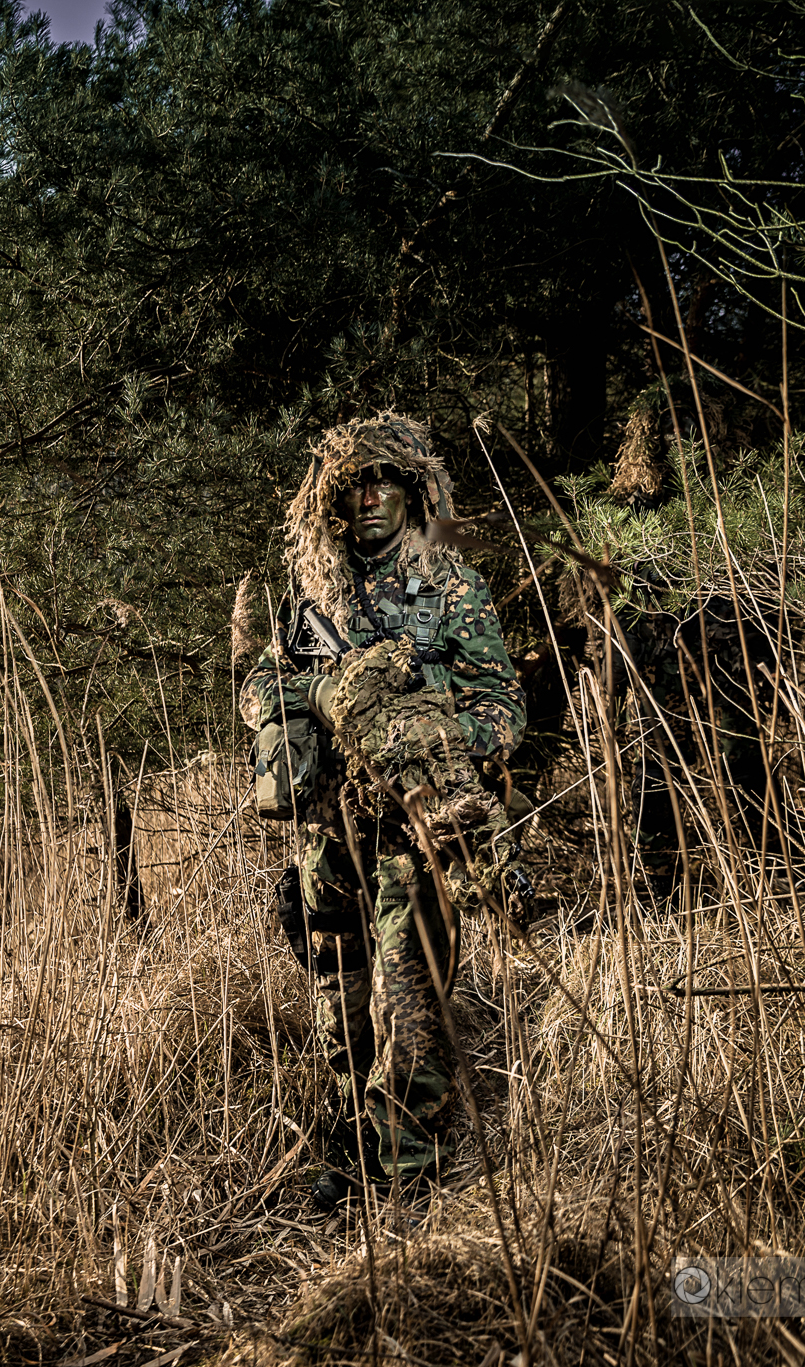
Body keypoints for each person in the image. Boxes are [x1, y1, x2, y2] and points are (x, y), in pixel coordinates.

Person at [240, 411, 527, 1207]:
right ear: (332, 501)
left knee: (409, 997)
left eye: (384, 482)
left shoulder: (449, 588)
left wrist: (424, 725)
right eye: (354, 485)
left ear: (412, 491)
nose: (369, 498)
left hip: (416, 827)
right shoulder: (315, 600)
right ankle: (350, 1155)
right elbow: (263, 686)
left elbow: (504, 707)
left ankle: (405, 1178)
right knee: (341, 1003)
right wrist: (308, 703)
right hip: (331, 831)